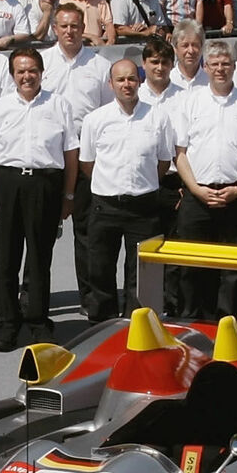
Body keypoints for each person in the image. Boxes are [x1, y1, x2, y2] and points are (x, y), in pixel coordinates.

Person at [0, 45, 77, 348]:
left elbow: (70, 154)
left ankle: (38, 322)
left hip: (45, 185)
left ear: (41, 73)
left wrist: (68, 196)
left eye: (32, 70)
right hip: (9, 183)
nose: (27, 76)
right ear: (12, 75)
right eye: (21, 71)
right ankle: (7, 325)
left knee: (39, 258)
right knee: (7, 259)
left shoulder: (59, 105)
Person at [72, 57, 176, 327]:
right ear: (111, 83)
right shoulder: (96, 120)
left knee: (139, 273)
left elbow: (164, 160)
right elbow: (87, 163)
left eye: (131, 78)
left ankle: (136, 325)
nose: (126, 84)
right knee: (100, 268)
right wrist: (109, 184)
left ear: (139, 81)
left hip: (144, 206)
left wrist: (144, 181)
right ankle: (101, 324)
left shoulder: (157, 116)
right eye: (120, 79)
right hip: (105, 206)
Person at [168, 41, 237, 319]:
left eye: (226, 64)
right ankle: (192, 319)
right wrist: (195, 189)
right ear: (206, 67)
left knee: (232, 267)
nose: (220, 69)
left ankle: (227, 322)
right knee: (191, 264)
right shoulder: (190, 102)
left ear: (234, 67)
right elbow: (180, 152)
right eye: (215, 64)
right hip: (197, 195)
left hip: (235, 195)